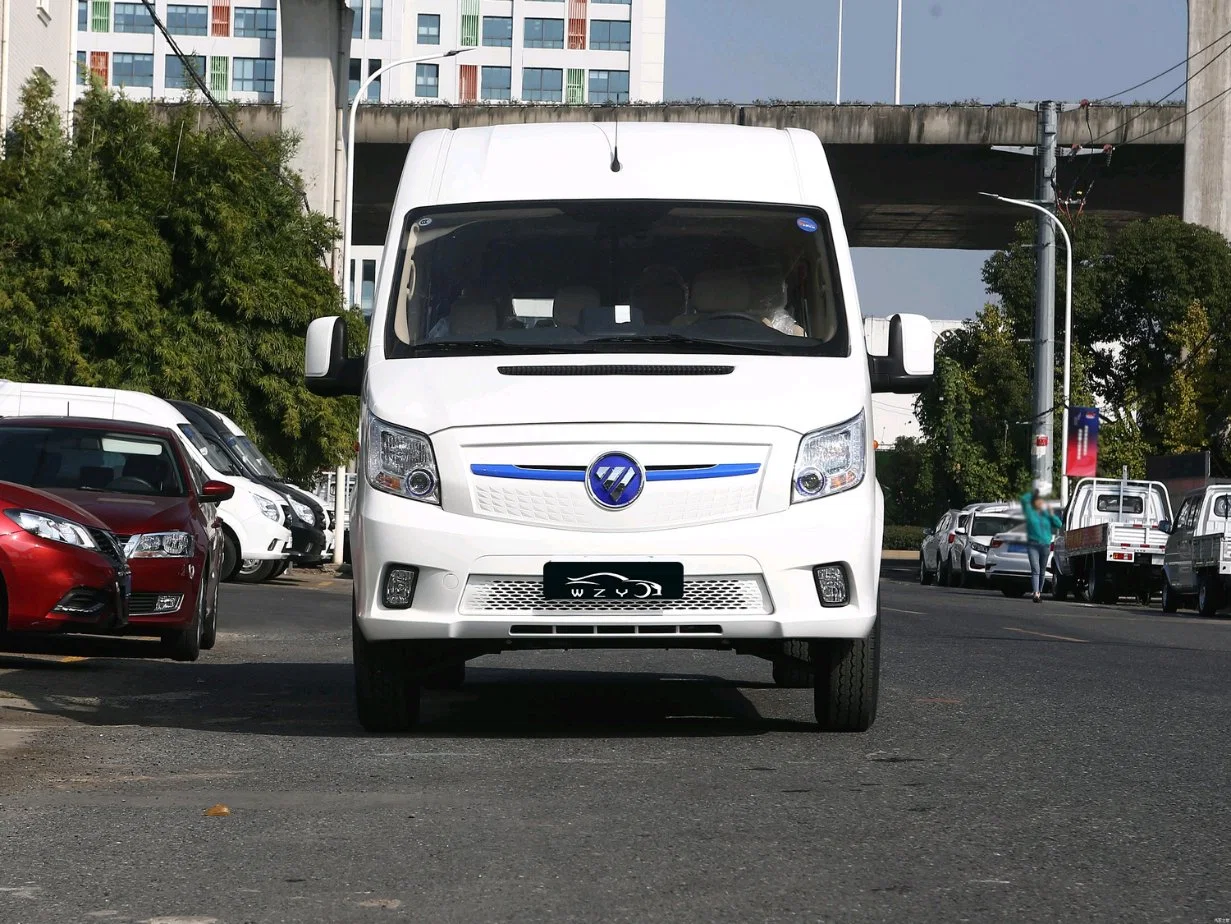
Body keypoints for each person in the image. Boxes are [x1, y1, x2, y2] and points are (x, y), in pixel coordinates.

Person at [1020, 490, 1063, 603]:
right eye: (1037, 501)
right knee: (1035, 569)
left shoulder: (1047, 514)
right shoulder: (1030, 512)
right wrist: (1033, 493)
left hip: (1045, 545)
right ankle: (1036, 593)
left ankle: (1039, 590)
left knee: (1042, 570)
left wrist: (1051, 514)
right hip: (1032, 545)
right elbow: (1023, 499)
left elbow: (1059, 524)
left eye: (1040, 501)